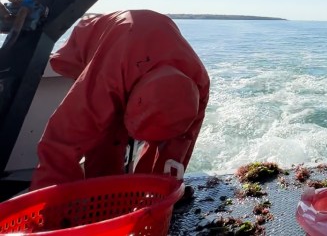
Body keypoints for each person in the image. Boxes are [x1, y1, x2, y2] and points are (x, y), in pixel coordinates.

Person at [30, 10, 209, 190]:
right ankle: (100, 196)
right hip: (95, 41)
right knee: (106, 138)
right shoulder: (105, 78)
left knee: (166, 145)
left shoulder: (200, 84)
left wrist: (163, 187)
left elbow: (182, 143)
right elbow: (60, 143)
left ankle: (143, 194)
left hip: (140, 49)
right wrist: (49, 207)